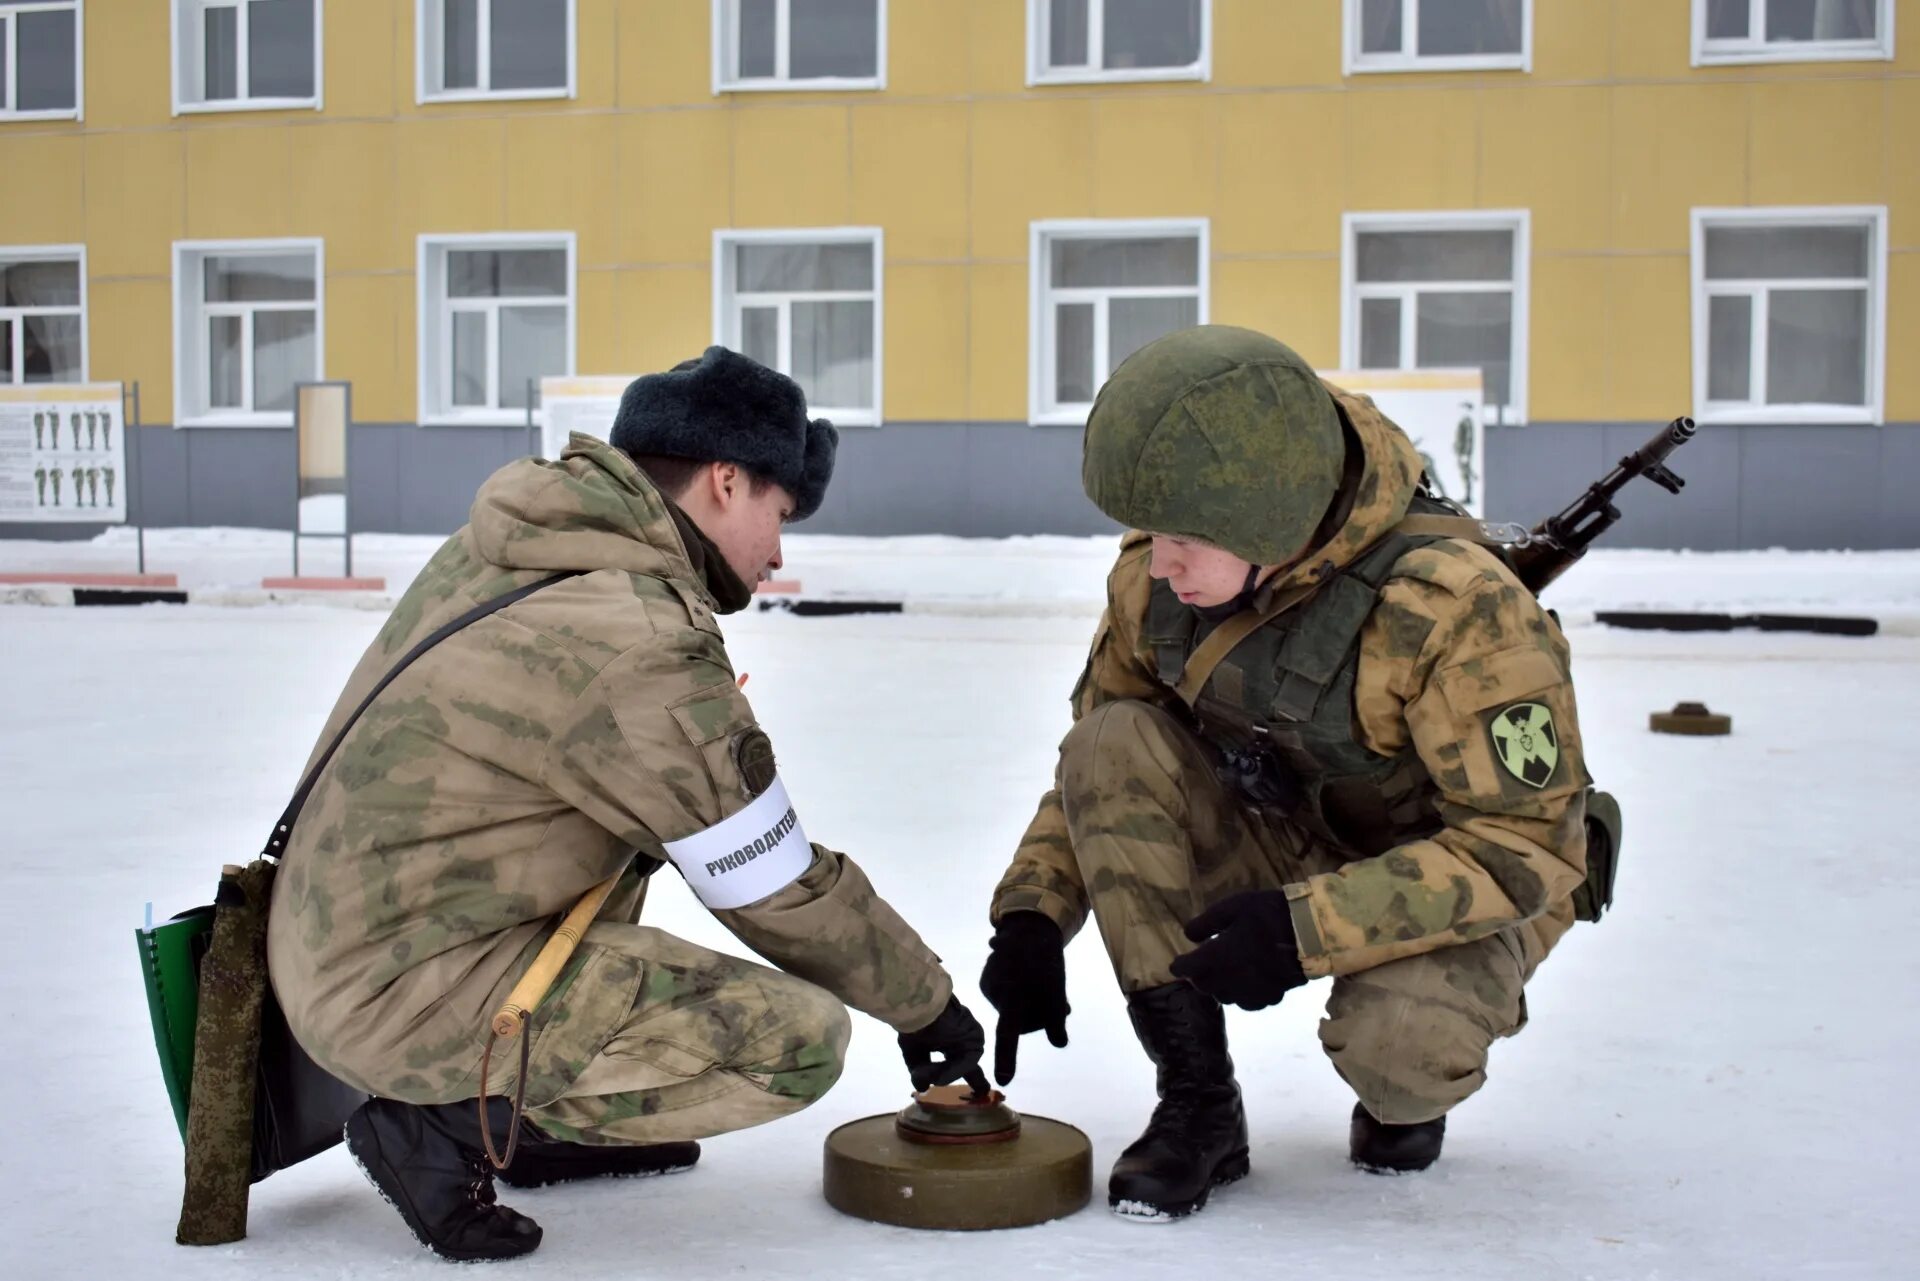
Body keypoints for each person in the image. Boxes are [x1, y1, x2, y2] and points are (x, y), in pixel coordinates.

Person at [267, 347, 988, 1262]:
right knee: (797, 1041)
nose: (778, 551)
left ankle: (530, 1123)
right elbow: (771, 880)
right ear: (726, 481)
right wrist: (924, 1005)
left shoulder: (533, 545)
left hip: (346, 939)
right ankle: (443, 1123)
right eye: (782, 512)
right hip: (393, 990)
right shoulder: (637, 641)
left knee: (629, 831)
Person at [980, 325, 1599, 1222]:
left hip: (1459, 865)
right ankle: (1199, 1103)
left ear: (1272, 515)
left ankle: (1415, 1068)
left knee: (1402, 1058)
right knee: (1117, 737)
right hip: (1286, 827)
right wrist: (1033, 915)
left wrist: (1304, 927)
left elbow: (1526, 842)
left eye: (1185, 536)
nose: (1160, 562)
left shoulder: (1455, 610)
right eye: (1149, 530)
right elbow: (1102, 760)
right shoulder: (1159, 583)